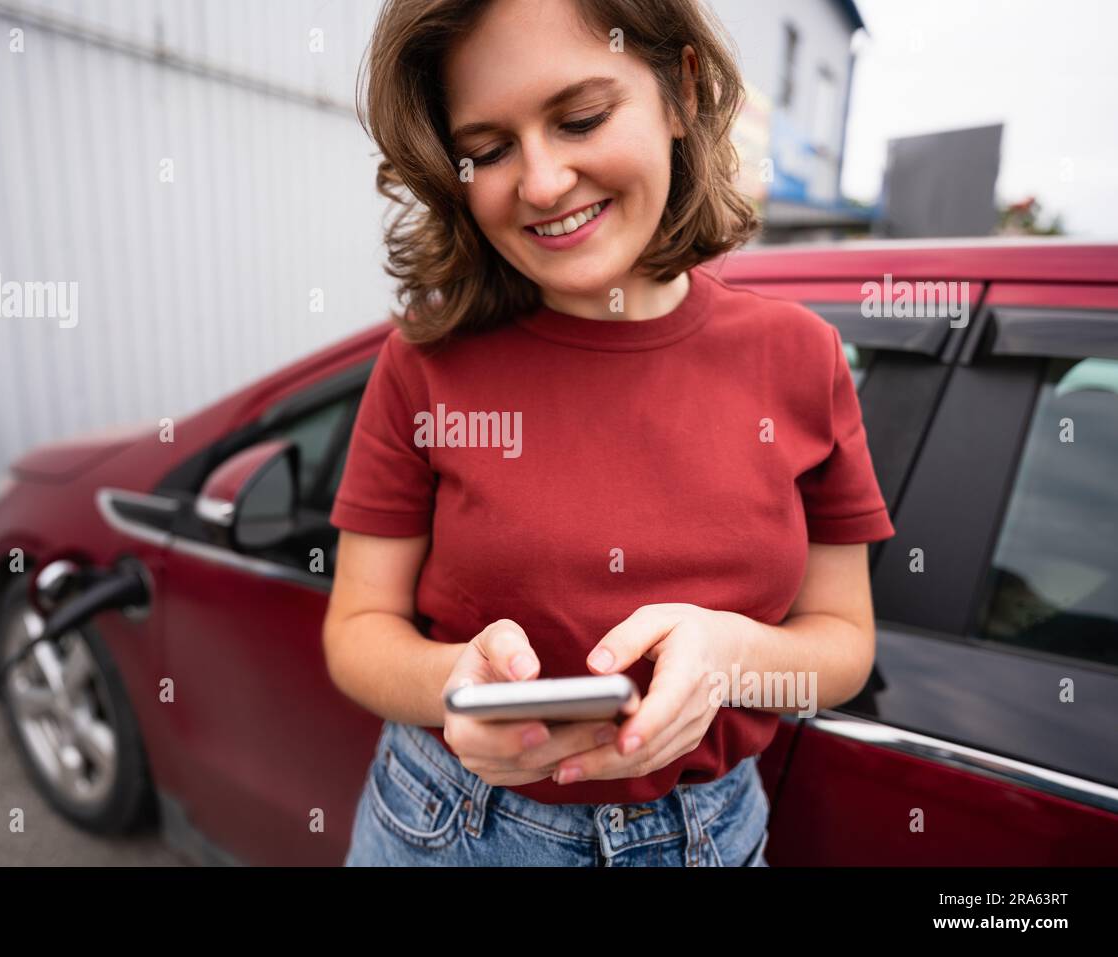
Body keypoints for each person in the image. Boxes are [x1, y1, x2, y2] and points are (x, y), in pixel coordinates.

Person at [322, 0, 895, 866]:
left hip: (710, 832)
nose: (542, 182)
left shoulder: (799, 358)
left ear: (681, 90)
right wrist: (452, 685)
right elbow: (357, 627)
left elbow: (845, 646)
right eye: (489, 149)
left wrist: (730, 656)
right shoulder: (426, 365)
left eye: (581, 118)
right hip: (453, 825)